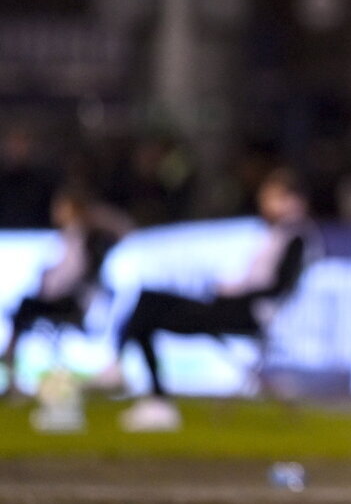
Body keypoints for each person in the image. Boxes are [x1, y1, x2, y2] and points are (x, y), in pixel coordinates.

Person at [99, 168, 318, 431]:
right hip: (232, 306)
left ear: (293, 200)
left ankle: (147, 392)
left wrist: (232, 291)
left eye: (272, 197)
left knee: (147, 310)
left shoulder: (297, 237)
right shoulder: (277, 233)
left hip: (244, 313)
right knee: (148, 301)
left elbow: (274, 289)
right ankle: (132, 378)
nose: (265, 203)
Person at [1, 187, 126, 399]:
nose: (56, 211)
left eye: (61, 206)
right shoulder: (71, 236)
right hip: (64, 301)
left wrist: (47, 286)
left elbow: (71, 275)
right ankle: (10, 361)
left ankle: (10, 359)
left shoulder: (79, 236)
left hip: (68, 303)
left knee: (25, 307)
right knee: (23, 308)